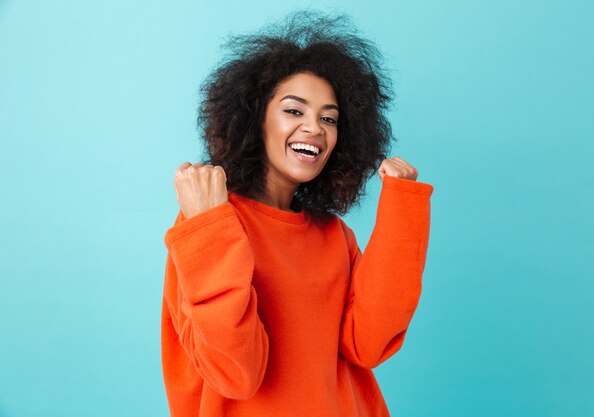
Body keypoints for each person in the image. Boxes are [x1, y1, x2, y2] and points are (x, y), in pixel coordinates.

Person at [161, 10, 434, 417]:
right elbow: (237, 374)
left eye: (329, 118)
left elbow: (369, 344)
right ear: (255, 119)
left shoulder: (334, 236)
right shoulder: (209, 222)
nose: (315, 128)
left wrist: (402, 209)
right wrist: (206, 224)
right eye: (294, 110)